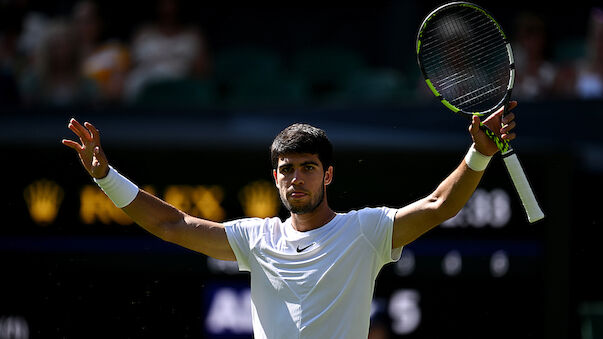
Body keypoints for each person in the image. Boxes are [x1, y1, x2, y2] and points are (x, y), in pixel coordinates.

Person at [62, 102, 517, 338]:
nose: (296, 178)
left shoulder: (366, 230)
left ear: (328, 174)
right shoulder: (255, 237)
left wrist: (479, 153)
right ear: (274, 178)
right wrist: (105, 175)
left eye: (308, 167)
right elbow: (171, 224)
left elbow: (439, 204)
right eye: (286, 169)